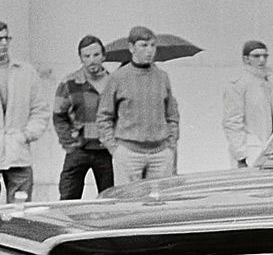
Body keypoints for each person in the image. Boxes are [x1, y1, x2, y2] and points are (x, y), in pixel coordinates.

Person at [97, 26, 181, 184]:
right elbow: (104, 116)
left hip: (160, 154)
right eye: (143, 45)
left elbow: (172, 115)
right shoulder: (117, 78)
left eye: (153, 45)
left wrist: (170, 144)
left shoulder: (162, 77)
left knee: (159, 203)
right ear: (131, 47)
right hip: (129, 153)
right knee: (128, 203)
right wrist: (115, 149)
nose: (149, 50)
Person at [52, 35, 113, 199]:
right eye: (87, 56)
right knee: (68, 198)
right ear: (81, 58)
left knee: (109, 200)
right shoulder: (69, 83)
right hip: (78, 150)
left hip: (106, 151)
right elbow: (59, 116)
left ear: (104, 56)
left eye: (96, 55)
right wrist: (69, 144)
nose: (92, 60)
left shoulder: (113, 82)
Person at [0, 21, 50, 202]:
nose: (3, 43)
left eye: (6, 38)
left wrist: (28, 134)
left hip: (18, 150)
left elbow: (40, 108)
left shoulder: (26, 71)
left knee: (19, 210)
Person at [223, 40, 273, 168]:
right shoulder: (238, 84)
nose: (262, 60)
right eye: (256, 56)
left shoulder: (269, 82)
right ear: (246, 59)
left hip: (270, 148)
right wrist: (241, 156)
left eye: (265, 56)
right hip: (250, 149)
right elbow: (232, 122)